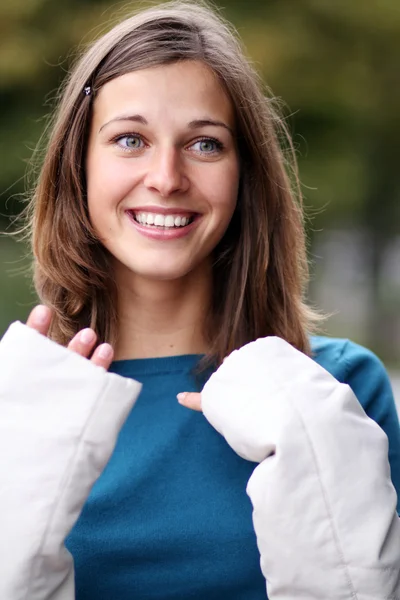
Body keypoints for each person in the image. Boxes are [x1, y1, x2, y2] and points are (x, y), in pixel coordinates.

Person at [0, 1, 399, 599]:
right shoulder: (18, 407)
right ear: (78, 167)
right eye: (130, 139)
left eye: (206, 145)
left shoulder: (339, 387)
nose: (166, 176)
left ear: (245, 178)